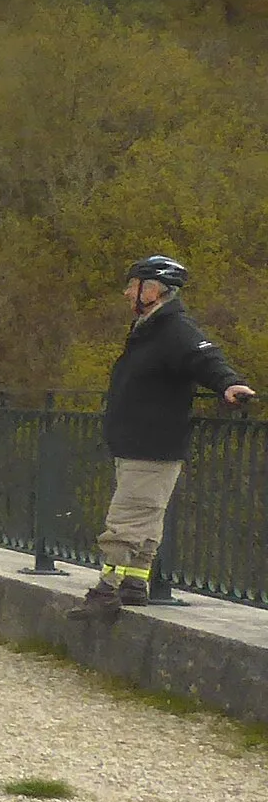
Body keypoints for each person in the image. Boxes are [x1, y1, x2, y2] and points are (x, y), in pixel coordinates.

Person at [70, 255, 254, 623]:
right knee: (146, 517)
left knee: (127, 519)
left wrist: (229, 384)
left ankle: (106, 591)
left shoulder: (174, 329)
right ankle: (135, 584)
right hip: (138, 439)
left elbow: (206, 357)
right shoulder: (150, 327)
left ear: (152, 290)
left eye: (133, 285)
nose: (126, 293)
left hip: (152, 443)